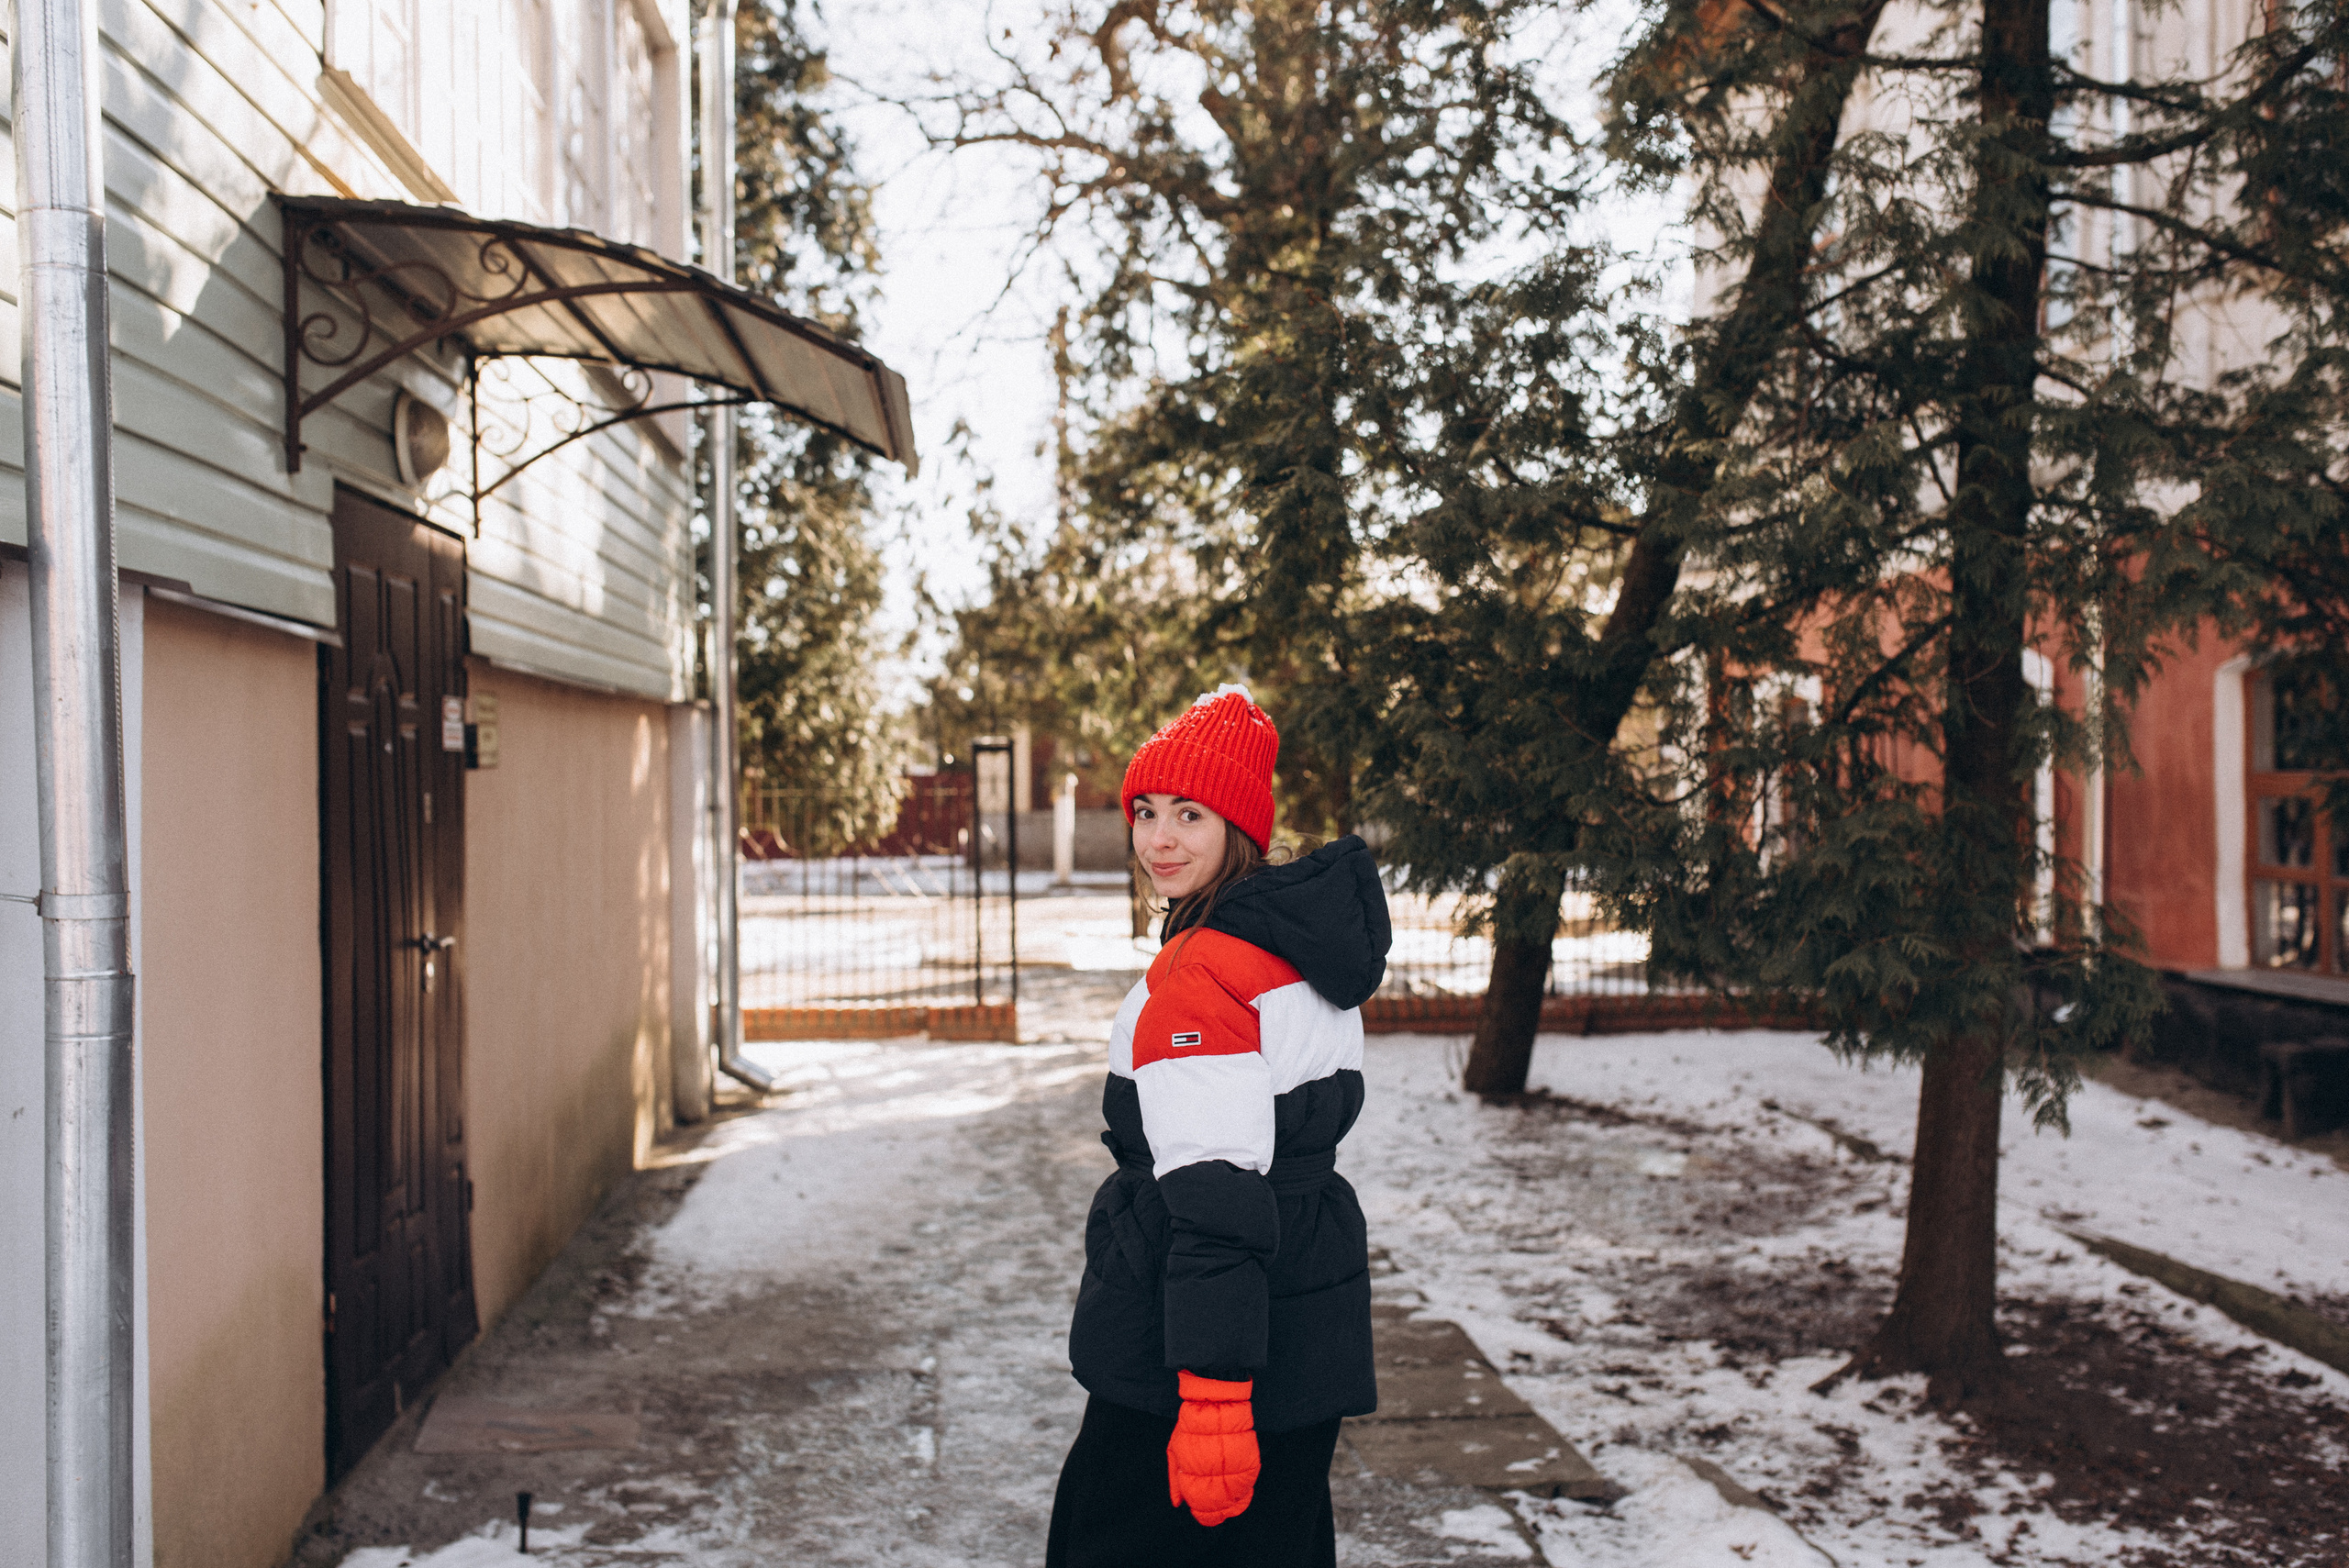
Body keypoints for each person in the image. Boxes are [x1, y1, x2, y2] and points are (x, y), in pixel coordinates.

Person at [1045, 684, 1391, 1568]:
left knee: (1110, 1535)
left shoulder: (1205, 974)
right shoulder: (1294, 950)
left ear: (1238, 827)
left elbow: (1214, 1198)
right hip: (1299, 1305)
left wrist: (1210, 1399)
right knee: (1281, 1536)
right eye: (1146, 811)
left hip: (1199, 1332)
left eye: (1189, 814)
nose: (1158, 839)